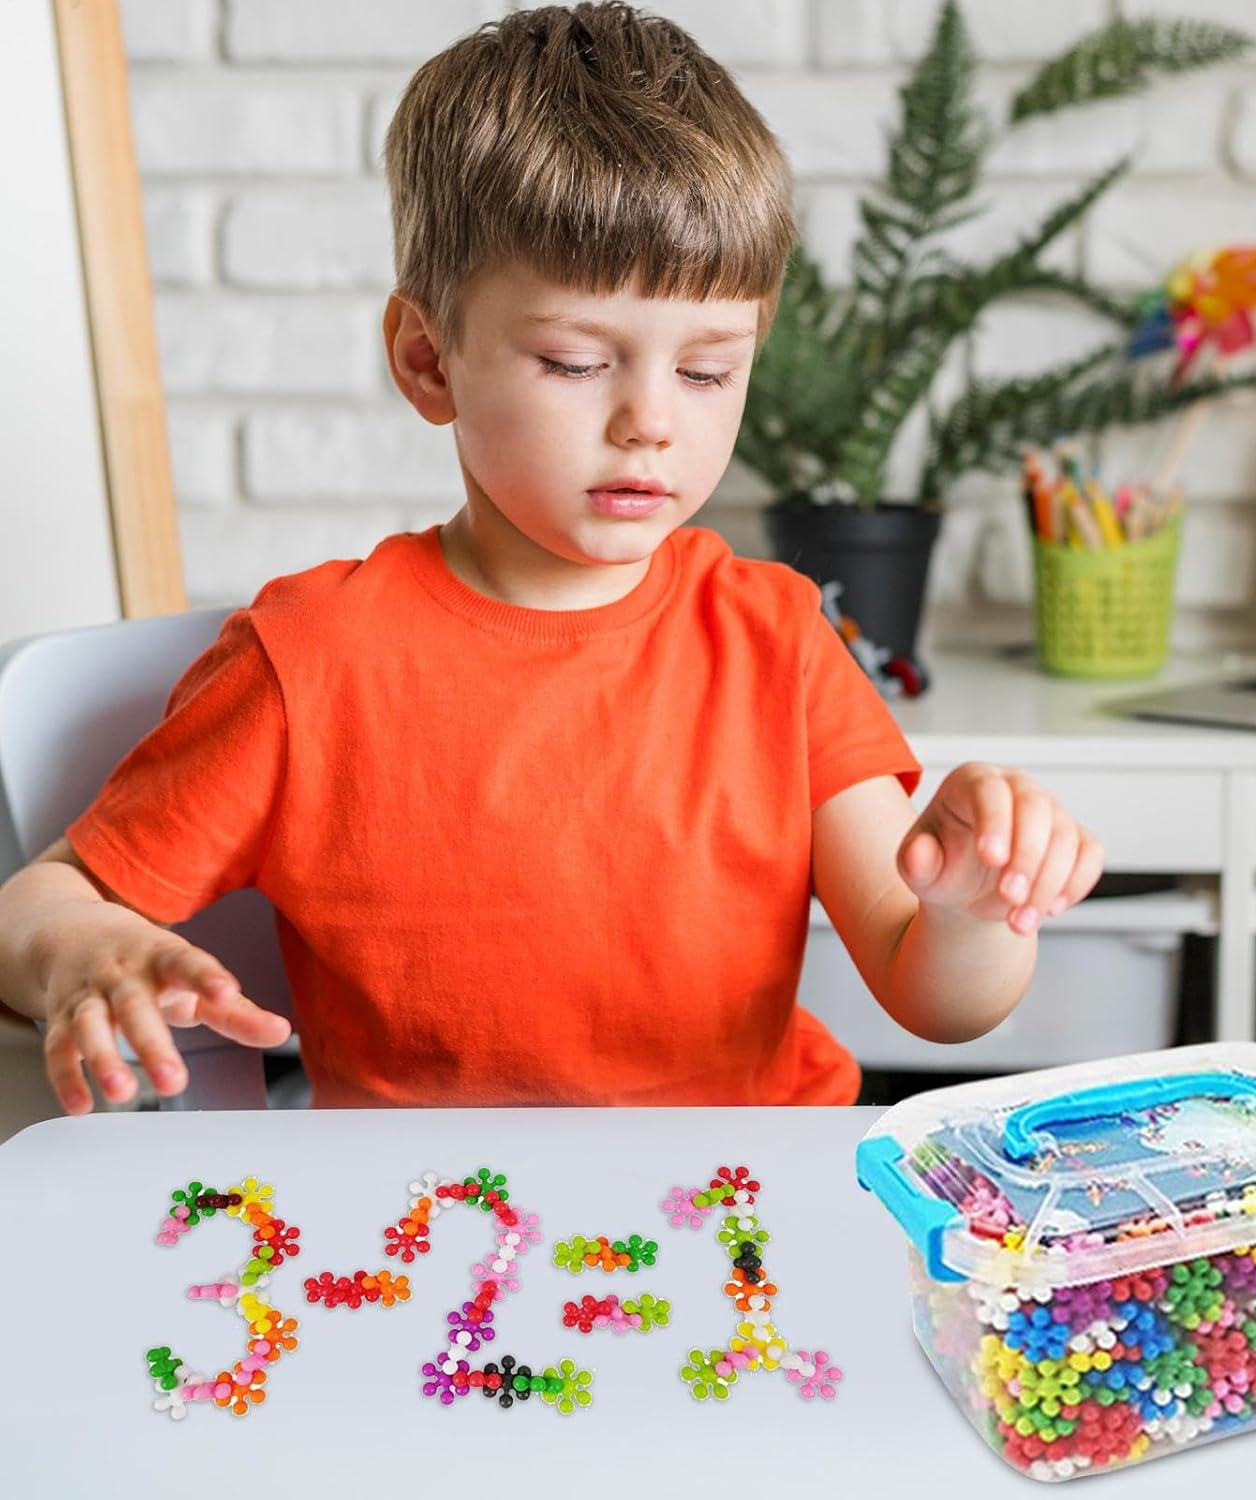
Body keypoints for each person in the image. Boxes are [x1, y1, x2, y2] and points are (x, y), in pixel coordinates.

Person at [0, 2, 1102, 1115]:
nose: (650, 422)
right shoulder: (308, 662)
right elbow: (33, 908)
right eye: (576, 362)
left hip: (744, 1191)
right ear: (429, 361)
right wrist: (81, 952)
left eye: (708, 372)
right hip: (433, 1205)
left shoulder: (776, 642)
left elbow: (937, 1000)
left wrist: (974, 908)